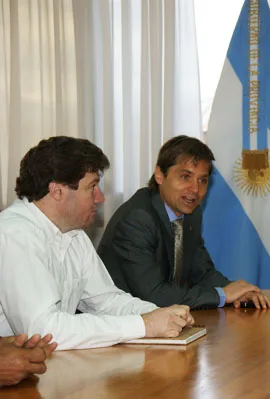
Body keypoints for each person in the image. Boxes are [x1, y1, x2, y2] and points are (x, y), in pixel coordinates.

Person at [0, 136, 194, 351]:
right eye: (92, 187)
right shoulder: (14, 234)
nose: (100, 197)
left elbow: (106, 302)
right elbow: (44, 331)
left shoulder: (73, 233)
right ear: (57, 191)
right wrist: (143, 325)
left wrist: (161, 314)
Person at [98, 135, 270, 310]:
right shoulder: (137, 219)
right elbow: (153, 295)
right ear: (159, 175)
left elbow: (202, 272)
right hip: (118, 323)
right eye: (185, 177)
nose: (195, 189)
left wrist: (238, 291)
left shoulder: (190, 213)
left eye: (202, 180)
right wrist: (223, 295)